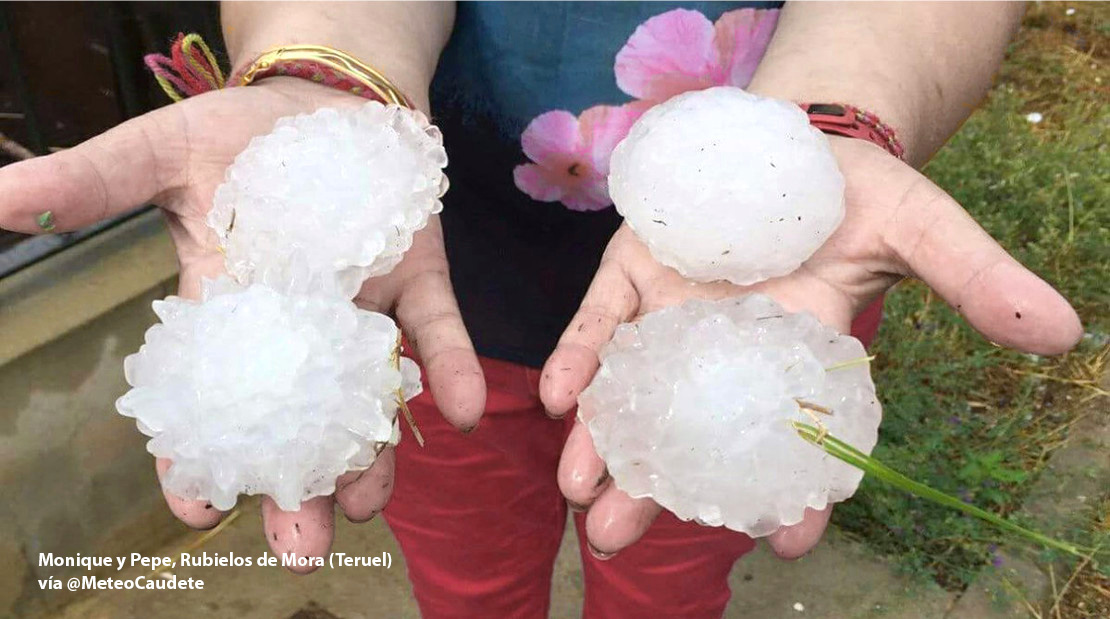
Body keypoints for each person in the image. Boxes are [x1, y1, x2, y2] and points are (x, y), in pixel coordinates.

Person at [0, 2, 1082, 617]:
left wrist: (837, 117)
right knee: (468, 580)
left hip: (756, 300)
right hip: (441, 300)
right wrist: (332, 66)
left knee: (666, 570)